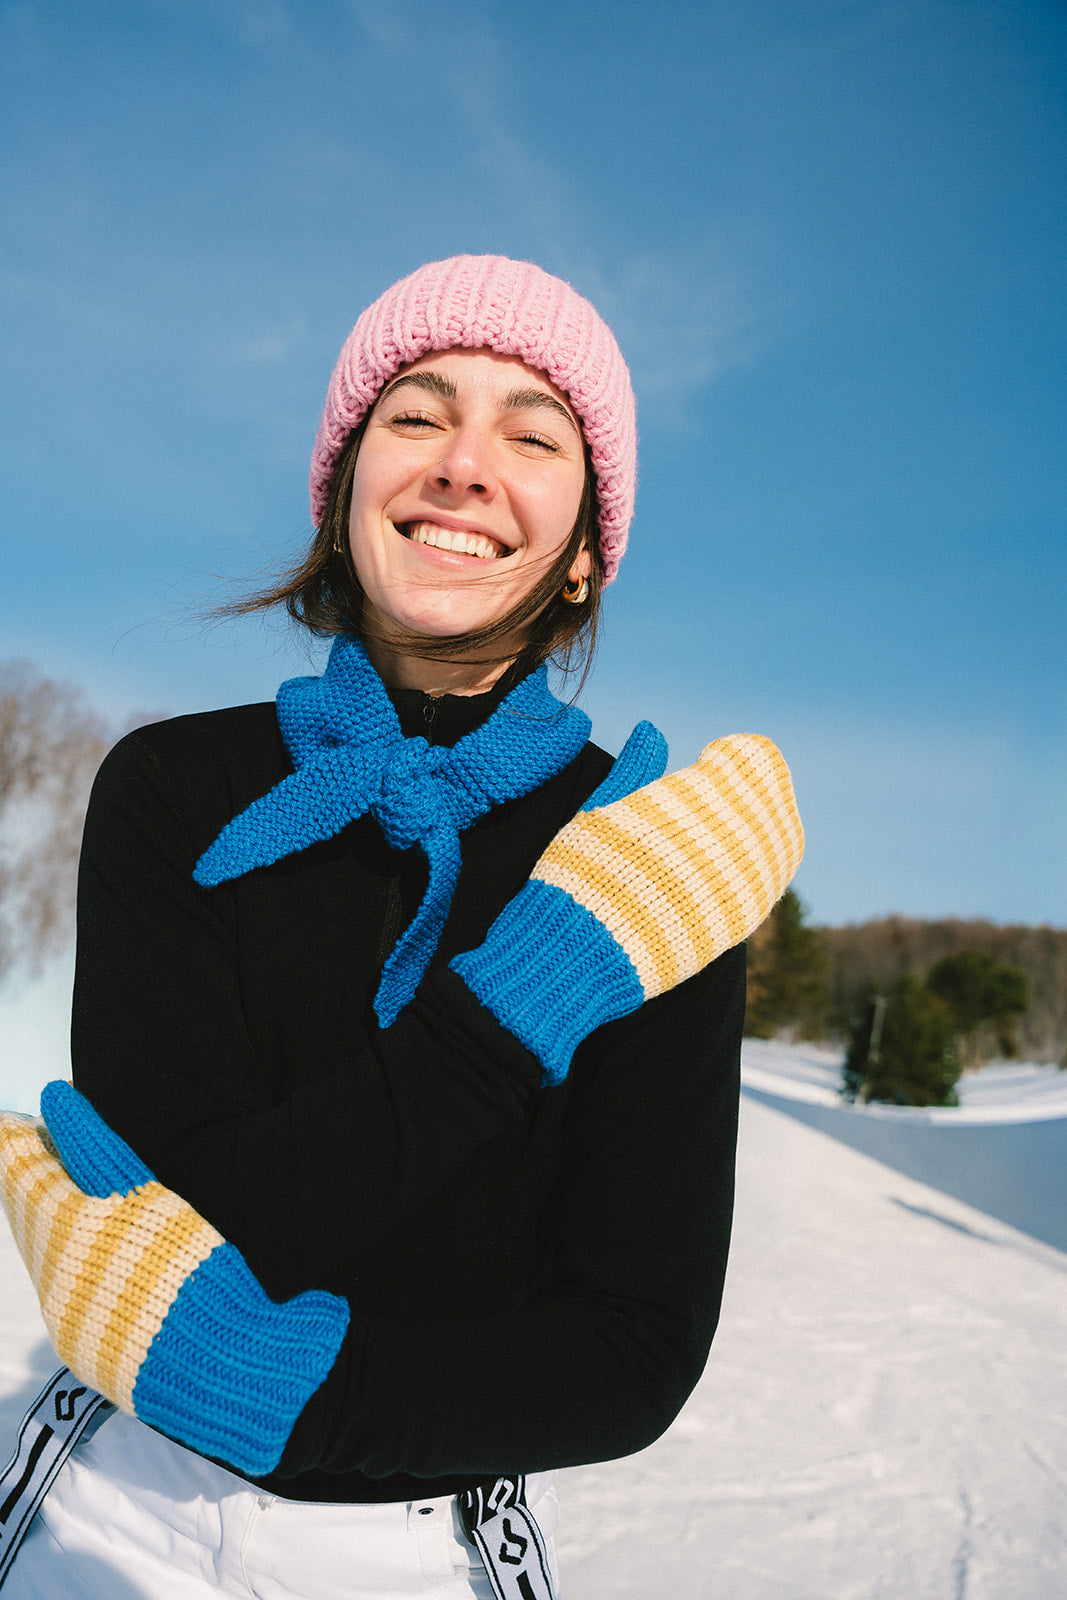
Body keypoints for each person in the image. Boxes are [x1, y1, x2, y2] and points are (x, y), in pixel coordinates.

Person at [0, 254, 803, 1598]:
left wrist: (302, 1407)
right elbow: (168, 1225)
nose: (464, 464)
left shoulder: (651, 862)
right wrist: (526, 1002)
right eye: (416, 416)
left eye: (534, 434)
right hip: (112, 1510)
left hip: (422, 1549)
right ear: (342, 491)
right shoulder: (171, 788)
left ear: (588, 552)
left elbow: (630, 1346)